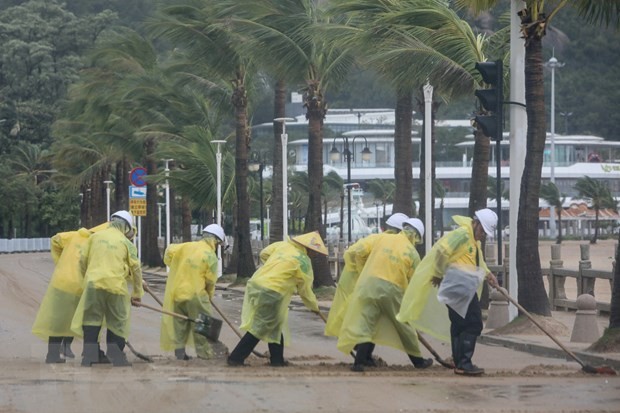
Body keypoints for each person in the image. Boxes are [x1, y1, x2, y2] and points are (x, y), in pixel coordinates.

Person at [397, 208, 499, 376]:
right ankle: (464, 363)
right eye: (482, 230)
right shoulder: (463, 234)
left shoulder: (473, 240)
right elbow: (442, 251)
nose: (482, 234)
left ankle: (459, 363)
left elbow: (478, 260)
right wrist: (438, 274)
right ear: (476, 223)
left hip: (462, 285)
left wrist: (488, 274)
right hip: (458, 284)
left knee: (459, 324)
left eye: (485, 233)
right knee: (473, 323)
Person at [336, 218, 433, 372]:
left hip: (368, 285)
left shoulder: (382, 238)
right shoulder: (412, 252)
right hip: (392, 289)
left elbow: (358, 251)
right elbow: (415, 280)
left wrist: (363, 272)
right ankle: (418, 361)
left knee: (366, 325)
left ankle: (359, 362)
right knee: (404, 326)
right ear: (416, 236)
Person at [227, 231, 328, 367]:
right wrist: (313, 306)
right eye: (315, 251)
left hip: (258, 283)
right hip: (273, 291)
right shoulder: (303, 260)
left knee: (275, 324)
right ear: (308, 248)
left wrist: (274, 267)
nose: (315, 254)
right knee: (261, 326)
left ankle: (277, 360)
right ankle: (236, 358)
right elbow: (305, 290)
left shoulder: (282, 246)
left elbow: (264, 253)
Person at [324, 213, 408, 366]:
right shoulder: (380, 239)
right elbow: (354, 252)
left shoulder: (386, 241)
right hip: (358, 281)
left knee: (370, 320)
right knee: (366, 320)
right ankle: (360, 351)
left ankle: (365, 356)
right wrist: (363, 272)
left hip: (364, 281)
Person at [71, 210, 144, 367]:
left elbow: (82, 259)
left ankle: (89, 356)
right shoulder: (126, 243)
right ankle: (116, 356)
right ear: (126, 227)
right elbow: (136, 268)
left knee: (91, 319)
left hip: (93, 284)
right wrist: (137, 293)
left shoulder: (94, 237)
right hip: (115, 287)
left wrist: (87, 279)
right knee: (117, 321)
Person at [31, 222, 108, 363]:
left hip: (62, 283)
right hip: (81, 287)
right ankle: (92, 353)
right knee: (91, 321)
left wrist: (60, 261)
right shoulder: (98, 244)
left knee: (58, 321)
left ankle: (52, 355)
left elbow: (55, 239)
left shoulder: (73, 236)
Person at [160, 224, 225, 360]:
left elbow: (169, 252)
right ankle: (204, 355)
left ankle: (180, 352)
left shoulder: (186, 247)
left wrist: (176, 265)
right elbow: (210, 281)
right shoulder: (210, 255)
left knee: (179, 324)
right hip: (196, 295)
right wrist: (209, 296)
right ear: (216, 241)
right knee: (202, 326)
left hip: (178, 293)